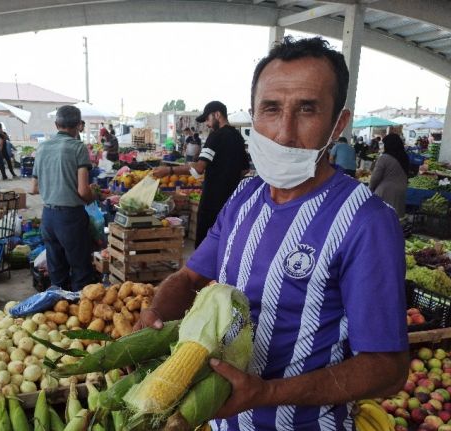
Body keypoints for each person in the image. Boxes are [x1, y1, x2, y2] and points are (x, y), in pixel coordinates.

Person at [137, 37, 408, 431]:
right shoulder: (246, 196)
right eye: (271, 109)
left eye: (307, 109)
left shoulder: (366, 222)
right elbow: (189, 278)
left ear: (339, 124)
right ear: (253, 115)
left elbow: (387, 370)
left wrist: (266, 394)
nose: (284, 132)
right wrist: (157, 313)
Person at [152, 101, 249, 247]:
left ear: (217, 114)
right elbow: (244, 170)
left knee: (206, 242)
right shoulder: (238, 137)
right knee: (224, 243)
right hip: (232, 202)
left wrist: (168, 170)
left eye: (208, 120)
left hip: (212, 200)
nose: (207, 124)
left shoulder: (216, 136)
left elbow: (198, 169)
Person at [30, 105, 96, 291]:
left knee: (57, 272)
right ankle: (79, 313)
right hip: (70, 218)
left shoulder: (42, 148)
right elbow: (83, 191)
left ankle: (59, 309)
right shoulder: (77, 147)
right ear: (79, 125)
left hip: (48, 217)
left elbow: (34, 188)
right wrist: (94, 196)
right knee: (81, 271)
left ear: (56, 124)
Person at [369, 133, 409, 217]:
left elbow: (375, 178)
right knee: (395, 219)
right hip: (401, 191)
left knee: (382, 219)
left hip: (386, 193)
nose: (383, 146)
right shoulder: (404, 157)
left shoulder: (384, 158)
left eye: (384, 144)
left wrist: (370, 189)